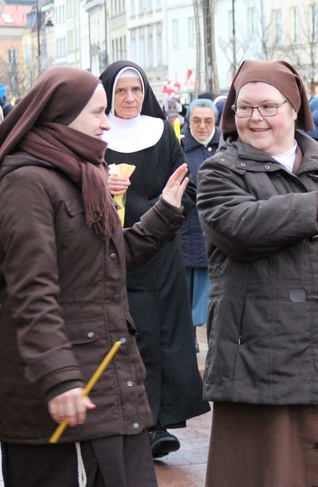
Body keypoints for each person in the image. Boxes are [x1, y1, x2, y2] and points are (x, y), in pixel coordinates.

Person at [196, 59, 318, 486]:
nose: (255, 118)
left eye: (268, 107)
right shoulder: (219, 170)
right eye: (244, 108)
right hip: (257, 355)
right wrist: (317, 204)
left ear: (293, 109)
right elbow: (237, 229)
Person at [0, 66, 190, 486]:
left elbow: (108, 260)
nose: (107, 123)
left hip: (111, 369)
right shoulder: (26, 182)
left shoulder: (85, 173)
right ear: (61, 116)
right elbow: (31, 291)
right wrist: (59, 376)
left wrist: (163, 215)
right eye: (97, 112)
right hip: (51, 384)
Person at [100, 60, 210, 458]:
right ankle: (135, 422)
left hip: (162, 252)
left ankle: (160, 421)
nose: (130, 99)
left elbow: (187, 187)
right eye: (121, 92)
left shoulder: (162, 131)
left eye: (136, 91)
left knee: (166, 336)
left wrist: (162, 211)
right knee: (133, 335)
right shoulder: (97, 134)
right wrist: (102, 184)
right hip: (117, 253)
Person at [180, 99, 221, 351]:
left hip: (214, 229)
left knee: (212, 293)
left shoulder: (225, 147)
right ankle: (190, 339)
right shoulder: (180, 147)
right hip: (186, 229)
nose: (202, 126)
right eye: (196, 121)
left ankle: (214, 338)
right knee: (186, 292)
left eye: (208, 121)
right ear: (189, 122)